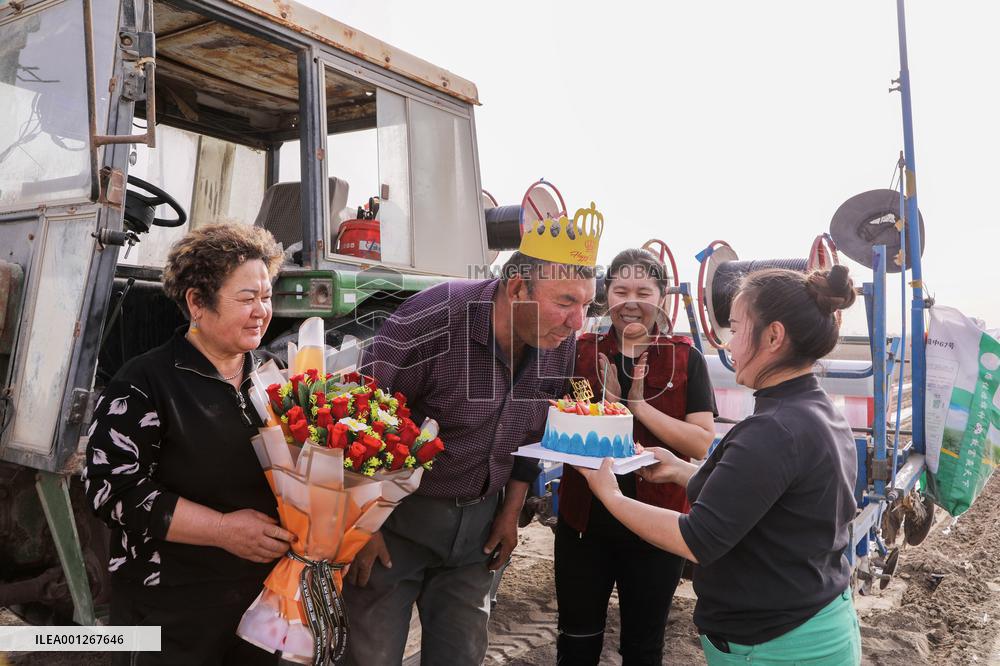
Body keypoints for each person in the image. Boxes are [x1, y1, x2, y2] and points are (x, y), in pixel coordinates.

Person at [341, 205, 602, 665]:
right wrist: (361, 527)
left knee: (461, 655)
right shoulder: (433, 318)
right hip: (395, 526)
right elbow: (356, 417)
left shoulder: (559, 345)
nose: (578, 322)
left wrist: (510, 513)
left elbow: (531, 433)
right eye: (565, 302)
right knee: (369, 655)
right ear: (518, 286)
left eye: (586, 305)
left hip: (479, 533)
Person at [577, 265, 863, 665]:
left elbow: (697, 539)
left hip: (777, 647)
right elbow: (765, 496)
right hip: (812, 620)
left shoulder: (774, 429)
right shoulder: (814, 411)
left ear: (774, 336)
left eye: (734, 328)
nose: (728, 346)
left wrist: (609, 495)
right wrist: (681, 470)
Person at [84, 224, 295, 665]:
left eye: (267, 296)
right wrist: (221, 530)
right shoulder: (145, 382)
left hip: (261, 601)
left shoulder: (275, 376)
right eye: (246, 298)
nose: (262, 311)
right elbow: (112, 490)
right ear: (197, 303)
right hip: (169, 604)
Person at [555, 248, 717, 665]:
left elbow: (700, 443)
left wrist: (638, 407)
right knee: (576, 638)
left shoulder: (685, 358)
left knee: (643, 647)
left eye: (643, 290)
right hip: (583, 523)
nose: (631, 301)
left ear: (662, 298)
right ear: (605, 295)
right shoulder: (577, 351)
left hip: (657, 527)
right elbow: (553, 421)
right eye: (620, 289)